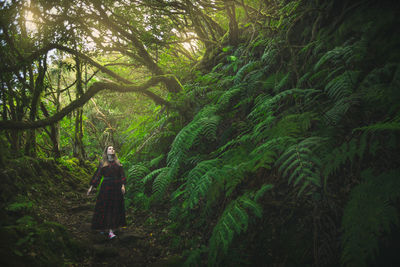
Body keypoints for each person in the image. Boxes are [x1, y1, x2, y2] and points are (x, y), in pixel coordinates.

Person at [87, 145, 127, 239]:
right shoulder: (103, 164)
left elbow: (122, 175)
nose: (112, 149)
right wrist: (91, 187)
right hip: (105, 188)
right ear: (106, 152)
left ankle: (111, 230)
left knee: (114, 207)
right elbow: (97, 176)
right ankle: (103, 227)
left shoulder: (118, 163)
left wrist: (123, 185)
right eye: (110, 148)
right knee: (104, 207)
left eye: (113, 148)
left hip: (116, 188)